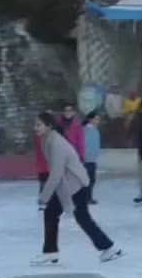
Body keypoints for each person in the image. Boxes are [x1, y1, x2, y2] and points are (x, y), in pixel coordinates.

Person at [32, 112, 122, 266]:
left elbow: (56, 174)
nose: (35, 128)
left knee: (71, 216)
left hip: (75, 185)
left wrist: (44, 197)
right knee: (71, 216)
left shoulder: (56, 143)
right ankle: (107, 248)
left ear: (49, 126)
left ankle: (51, 252)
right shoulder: (47, 139)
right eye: (35, 125)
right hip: (69, 185)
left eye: (39, 124)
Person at [83, 111, 102, 204]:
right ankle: (85, 198)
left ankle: (88, 197)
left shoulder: (95, 130)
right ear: (90, 119)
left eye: (98, 119)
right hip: (86, 159)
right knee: (87, 180)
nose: (98, 121)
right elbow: (85, 144)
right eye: (96, 119)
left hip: (92, 159)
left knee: (92, 180)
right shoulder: (86, 130)